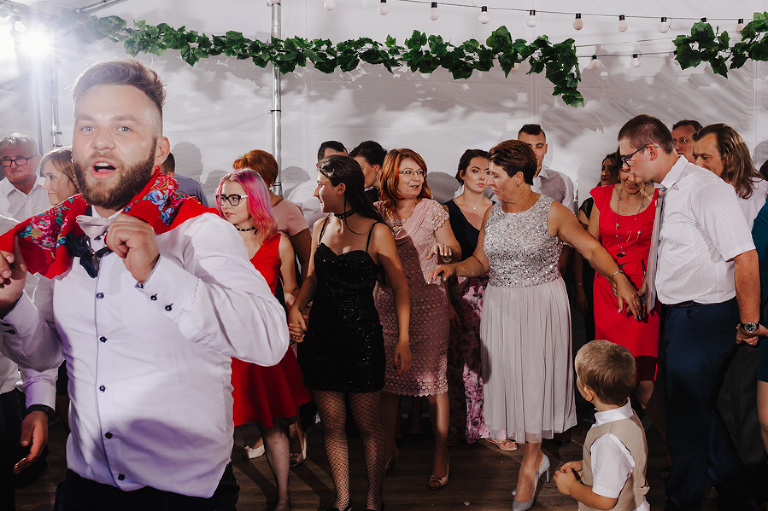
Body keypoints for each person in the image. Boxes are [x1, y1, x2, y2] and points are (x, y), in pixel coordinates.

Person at [0, 59, 289, 509]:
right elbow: (48, 354)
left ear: (158, 150)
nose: (101, 142)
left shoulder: (198, 230)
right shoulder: (59, 236)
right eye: (87, 127)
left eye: (124, 128)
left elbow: (269, 340)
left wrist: (159, 273)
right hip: (85, 482)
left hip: (184, 493)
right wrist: (11, 306)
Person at [428, 139, 642, 510]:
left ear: (519, 177)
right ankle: (535, 456)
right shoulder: (493, 213)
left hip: (541, 305)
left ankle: (530, 463)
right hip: (501, 305)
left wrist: (618, 277)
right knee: (511, 380)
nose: (489, 181)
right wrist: (455, 268)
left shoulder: (552, 211)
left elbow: (591, 248)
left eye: (495, 175)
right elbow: (481, 262)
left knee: (535, 382)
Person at [617, 114, 764, 511]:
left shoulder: (703, 188)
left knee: (685, 420)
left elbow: (746, 257)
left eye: (628, 157)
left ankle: (683, 502)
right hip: (680, 316)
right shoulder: (671, 189)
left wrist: (749, 323)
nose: (626, 167)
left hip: (702, 317)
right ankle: (741, 496)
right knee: (695, 412)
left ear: (651, 150)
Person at [288, 155, 410, 511]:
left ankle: (374, 498)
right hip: (322, 339)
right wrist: (296, 307)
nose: (316, 192)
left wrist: (403, 340)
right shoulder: (319, 227)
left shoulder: (377, 231)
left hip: (362, 340)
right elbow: (312, 279)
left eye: (320, 185)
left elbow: (400, 287)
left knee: (369, 426)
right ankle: (342, 499)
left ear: (340, 187)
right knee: (332, 426)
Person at [216, 168, 310, 511]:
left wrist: (296, 316)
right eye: (222, 197)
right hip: (222, 343)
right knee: (218, 427)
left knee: (271, 425)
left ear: (254, 199)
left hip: (261, 344)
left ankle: (283, 497)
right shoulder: (213, 240)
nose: (226, 205)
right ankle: (216, 498)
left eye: (234, 198)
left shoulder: (278, 242)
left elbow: (290, 291)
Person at [374, 148, 460, 490]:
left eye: (419, 172)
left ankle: (441, 454)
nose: (416, 178)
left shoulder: (432, 209)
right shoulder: (376, 211)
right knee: (388, 382)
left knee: (435, 382)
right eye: (408, 172)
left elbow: (454, 249)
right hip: (386, 305)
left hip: (429, 304)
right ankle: (387, 447)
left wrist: (446, 251)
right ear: (391, 175)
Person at [693, 123, 768, 474]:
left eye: (705, 157)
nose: (697, 164)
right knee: (720, 394)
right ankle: (729, 473)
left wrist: (750, 318)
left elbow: (755, 258)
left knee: (747, 395)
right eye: (695, 157)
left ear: (730, 156)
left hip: (751, 305)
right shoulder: (698, 191)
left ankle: (753, 474)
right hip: (713, 305)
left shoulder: (760, 192)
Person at [587, 153, 661, 414]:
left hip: (644, 288)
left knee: (643, 379)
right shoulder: (602, 195)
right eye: (626, 171)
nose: (631, 178)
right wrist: (615, 279)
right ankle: (617, 432)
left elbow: (665, 248)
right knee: (610, 373)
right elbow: (591, 248)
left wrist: (650, 282)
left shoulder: (660, 199)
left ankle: (667, 435)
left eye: (637, 172)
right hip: (606, 289)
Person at [441, 149, 499, 448]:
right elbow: (439, 261)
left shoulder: (500, 210)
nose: (482, 177)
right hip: (459, 293)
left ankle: (493, 426)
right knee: (461, 360)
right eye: (476, 170)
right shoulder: (445, 211)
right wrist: (447, 300)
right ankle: (461, 426)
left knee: (494, 359)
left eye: (488, 171)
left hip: (497, 293)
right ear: (462, 173)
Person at [554, 340, 650, 511]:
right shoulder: (629, 416)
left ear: (588, 393)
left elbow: (604, 501)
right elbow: (624, 460)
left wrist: (571, 487)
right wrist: (587, 465)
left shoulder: (607, 441)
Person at [39, 146, 80, 434]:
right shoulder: (51, 224)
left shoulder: (92, 226)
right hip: (58, 338)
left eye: (52, 177)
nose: (45, 185)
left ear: (75, 179)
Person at [233, 150, 311, 282]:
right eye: (242, 179)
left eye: (253, 178)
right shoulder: (235, 209)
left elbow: (307, 260)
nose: (247, 183)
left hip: (280, 287)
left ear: (269, 179)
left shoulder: (288, 210)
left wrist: (304, 293)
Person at [573, 152, 621, 341]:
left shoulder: (636, 203)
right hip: (594, 277)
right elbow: (579, 251)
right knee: (596, 334)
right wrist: (579, 288)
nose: (604, 173)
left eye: (611, 168)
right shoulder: (590, 204)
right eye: (602, 168)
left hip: (623, 273)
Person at [517, 124, 576, 214]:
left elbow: (569, 219)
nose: (534, 152)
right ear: (518, 149)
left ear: (545, 148)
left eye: (539, 146)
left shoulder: (562, 181)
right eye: (528, 147)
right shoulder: (504, 179)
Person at [289, 141, 348, 229]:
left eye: (343, 163)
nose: (338, 168)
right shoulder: (301, 193)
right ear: (318, 166)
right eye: (331, 163)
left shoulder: (357, 191)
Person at [0, 133, 50, 221]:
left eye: (20, 158)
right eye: (7, 159)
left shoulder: (54, 189)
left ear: (37, 160)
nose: (13, 166)